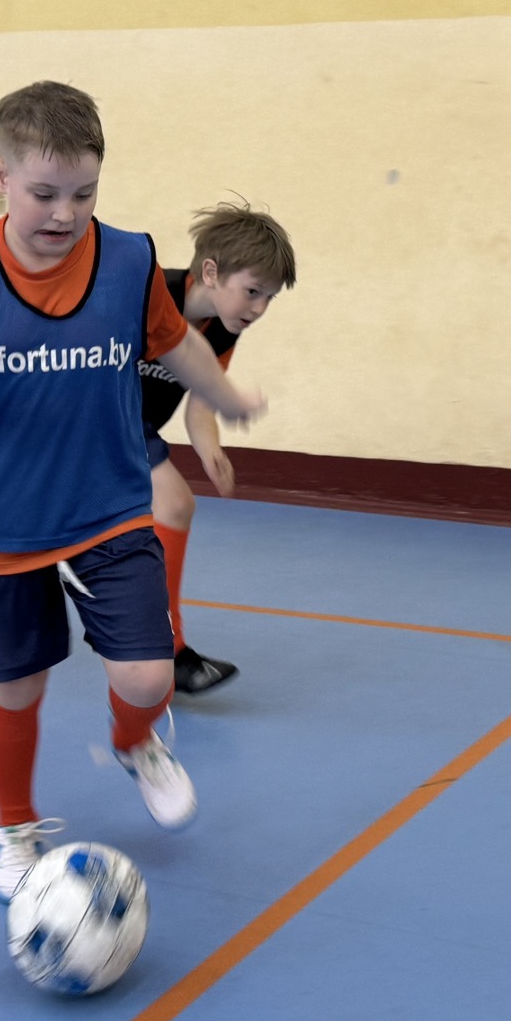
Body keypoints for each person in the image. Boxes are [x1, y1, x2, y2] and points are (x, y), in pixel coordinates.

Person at [0, 80, 266, 902]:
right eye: (44, 193)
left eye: (84, 193)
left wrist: (223, 397)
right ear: (1, 178)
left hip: (105, 506)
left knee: (148, 678)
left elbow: (177, 343)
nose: (65, 213)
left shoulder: (127, 262)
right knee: (17, 688)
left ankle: (135, 742)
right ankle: (13, 824)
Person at [141, 201, 296, 695]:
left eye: (269, 298)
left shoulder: (222, 329)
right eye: (253, 292)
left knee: (164, 510)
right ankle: (167, 650)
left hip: (134, 429)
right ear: (210, 272)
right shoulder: (148, 294)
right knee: (174, 503)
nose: (259, 309)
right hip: (91, 416)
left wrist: (210, 449)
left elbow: (202, 403)